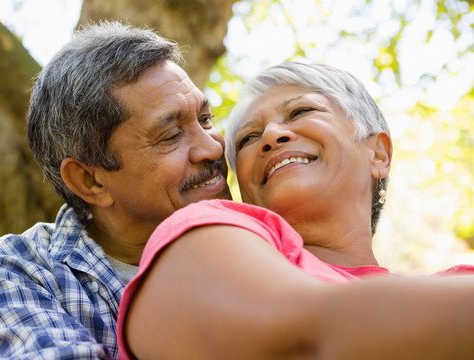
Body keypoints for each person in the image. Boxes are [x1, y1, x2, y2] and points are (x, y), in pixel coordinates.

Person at [116, 61, 474, 359]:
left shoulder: (459, 280)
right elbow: (314, 334)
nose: (272, 135)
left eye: (301, 111)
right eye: (248, 140)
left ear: (378, 154)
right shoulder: (198, 236)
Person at [0, 21, 231, 359]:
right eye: (171, 135)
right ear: (91, 180)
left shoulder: (273, 235)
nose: (213, 149)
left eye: (205, 119)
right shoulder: (15, 276)